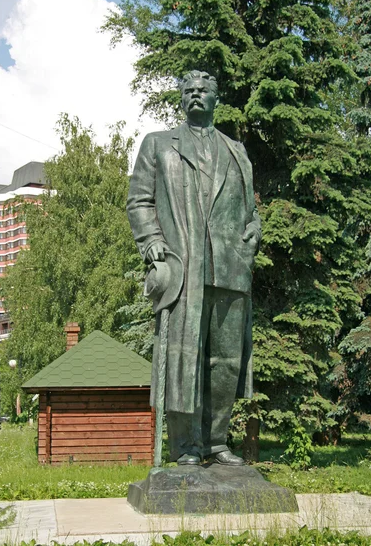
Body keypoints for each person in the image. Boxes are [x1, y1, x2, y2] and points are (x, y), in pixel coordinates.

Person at [127, 70, 261, 465]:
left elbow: (249, 212)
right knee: (184, 357)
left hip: (230, 268)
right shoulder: (158, 145)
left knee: (226, 361)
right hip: (184, 267)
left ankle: (216, 442)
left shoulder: (236, 150)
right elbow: (139, 201)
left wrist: (254, 232)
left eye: (204, 90)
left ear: (216, 98)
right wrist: (152, 243)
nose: (196, 95)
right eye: (189, 91)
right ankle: (185, 447)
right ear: (180, 99)